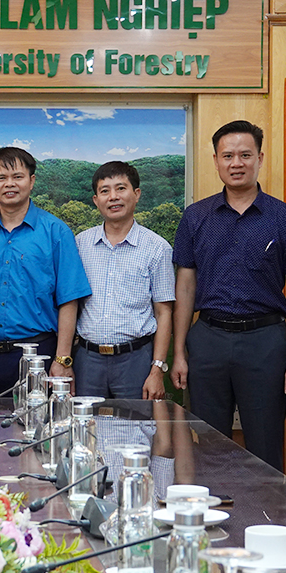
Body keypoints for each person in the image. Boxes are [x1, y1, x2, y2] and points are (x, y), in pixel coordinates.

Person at [171, 120, 286, 471]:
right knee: (207, 446)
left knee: (265, 446)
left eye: (245, 155)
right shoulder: (195, 217)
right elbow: (185, 286)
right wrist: (179, 352)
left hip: (264, 342)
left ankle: (267, 508)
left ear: (260, 158)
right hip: (208, 339)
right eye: (228, 156)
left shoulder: (285, 218)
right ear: (216, 161)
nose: (236, 163)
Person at [0, 147, 91, 398]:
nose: (10, 184)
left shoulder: (56, 232)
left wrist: (62, 359)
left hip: (38, 355)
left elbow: (69, 299)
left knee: (35, 422)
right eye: (1, 178)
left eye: (17, 177)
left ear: (31, 181)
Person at [74, 161, 175, 399]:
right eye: (105, 191)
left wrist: (157, 370)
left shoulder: (157, 248)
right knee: (83, 422)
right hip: (87, 360)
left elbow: (164, 312)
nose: (113, 197)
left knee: (136, 422)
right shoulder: (80, 244)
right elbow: (70, 304)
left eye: (121, 188)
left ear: (136, 194)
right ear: (96, 199)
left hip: (135, 360)